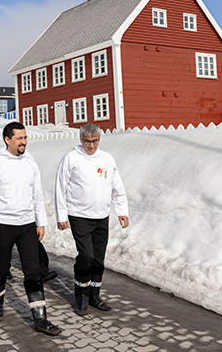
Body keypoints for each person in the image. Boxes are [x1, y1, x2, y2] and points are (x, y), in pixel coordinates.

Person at [0, 122, 61, 336]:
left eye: (25, 138)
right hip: (2, 225)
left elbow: (37, 195)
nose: (24, 141)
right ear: (8, 139)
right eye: (19, 138)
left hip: (26, 225)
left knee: (32, 271)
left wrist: (40, 222)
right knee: (0, 268)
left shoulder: (30, 163)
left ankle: (40, 318)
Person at [55, 123, 129, 315]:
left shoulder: (107, 159)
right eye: (87, 141)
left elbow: (117, 187)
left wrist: (122, 211)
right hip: (79, 215)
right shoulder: (71, 158)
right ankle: (80, 295)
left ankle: (94, 295)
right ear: (81, 140)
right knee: (86, 256)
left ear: (99, 140)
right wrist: (61, 215)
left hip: (101, 215)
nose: (91, 145)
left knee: (98, 258)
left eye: (94, 141)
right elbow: (60, 187)